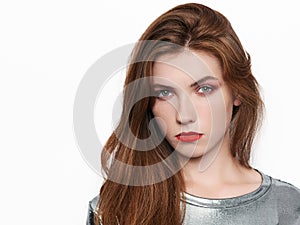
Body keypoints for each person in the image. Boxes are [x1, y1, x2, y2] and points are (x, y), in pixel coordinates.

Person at [87, 3, 300, 225]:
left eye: (203, 89)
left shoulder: (289, 209)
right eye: (165, 93)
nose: (184, 115)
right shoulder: (114, 209)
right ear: (148, 103)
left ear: (236, 91)